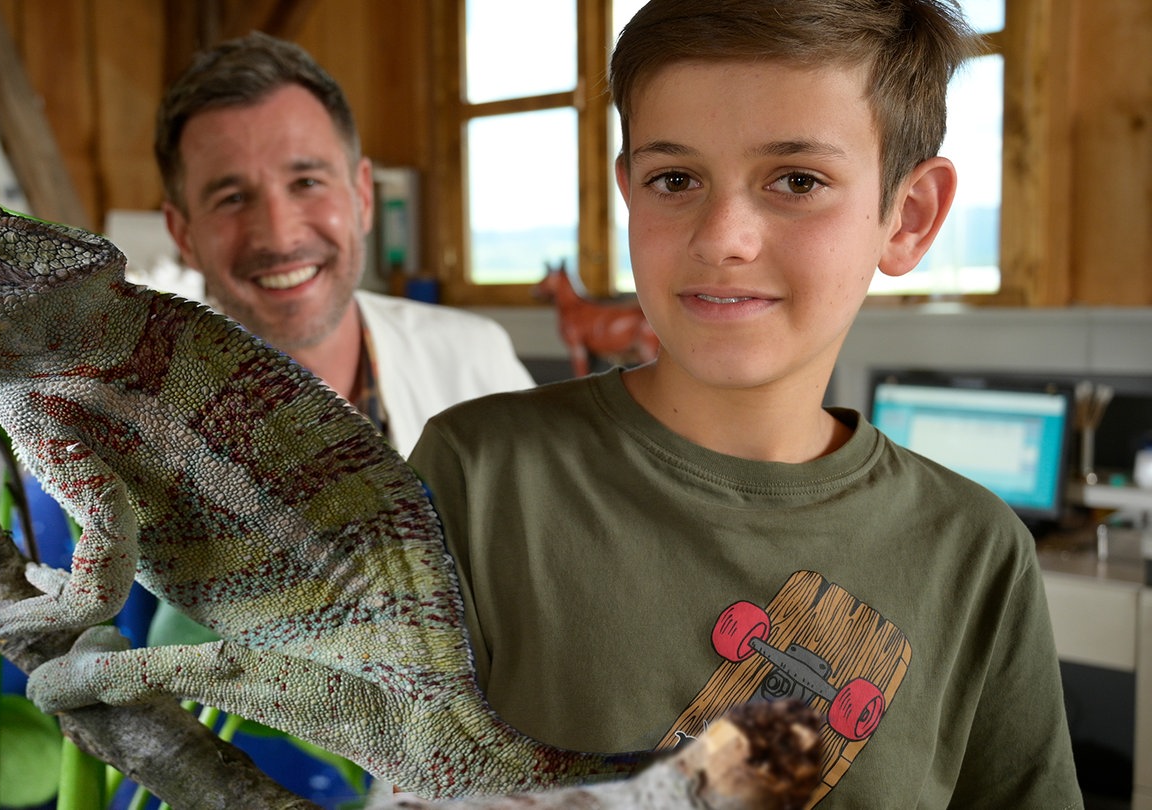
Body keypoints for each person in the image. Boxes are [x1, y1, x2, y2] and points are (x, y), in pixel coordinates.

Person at [408, 1, 1083, 806]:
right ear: (631, 195)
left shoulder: (976, 554)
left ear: (908, 217)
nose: (724, 236)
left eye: (798, 181)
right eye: (676, 179)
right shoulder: (477, 479)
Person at [155, 31, 533, 455]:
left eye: (307, 182)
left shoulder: (476, 363)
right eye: (233, 198)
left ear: (364, 197)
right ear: (183, 235)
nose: (280, 235)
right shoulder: (136, 437)